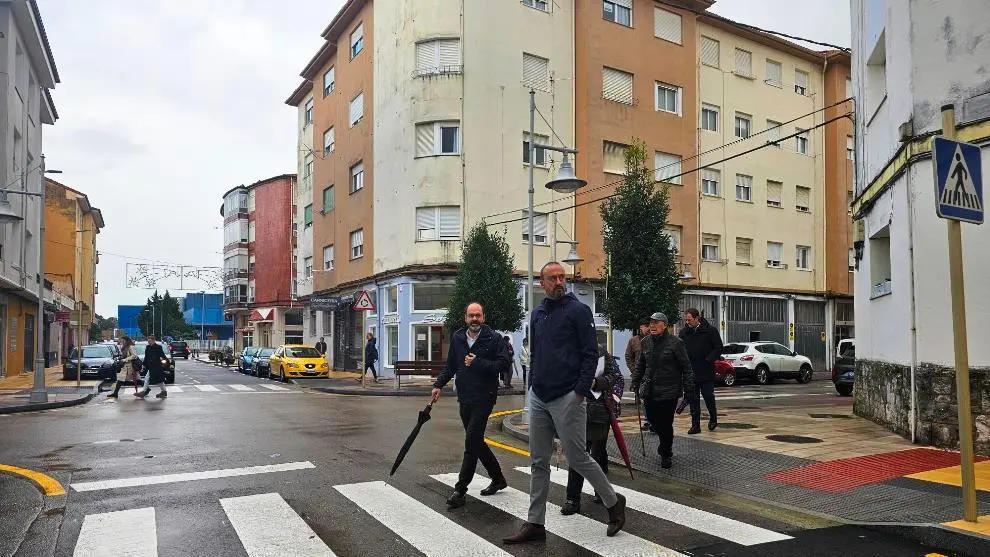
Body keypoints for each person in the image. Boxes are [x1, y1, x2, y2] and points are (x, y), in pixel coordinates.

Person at [503, 262, 626, 544]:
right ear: (542, 283)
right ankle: (535, 523)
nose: (559, 282)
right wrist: (531, 385)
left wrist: (580, 392)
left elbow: (589, 356)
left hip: (568, 396)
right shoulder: (538, 314)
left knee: (578, 458)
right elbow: (537, 353)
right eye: (553, 278)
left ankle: (613, 502)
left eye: (562, 277)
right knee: (538, 461)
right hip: (539, 396)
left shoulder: (578, 311)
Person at [431, 302, 510, 509]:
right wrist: (439, 384)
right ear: (465, 318)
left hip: (485, 396)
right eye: (470, 316)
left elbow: (503, 364)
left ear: (483, 317)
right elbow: (451, 365)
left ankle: (460, 490)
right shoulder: (458, 338)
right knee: (476, 441)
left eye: (478, 315)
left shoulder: (494, 339)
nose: (474, 319)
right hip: (464, 396)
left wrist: (478, 363)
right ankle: (498, 478)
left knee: (471, 440)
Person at [561, 344, 622, 516]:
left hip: (599, 410)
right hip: (576, 408)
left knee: (598, 453)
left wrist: (597, 383)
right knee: (577, 454)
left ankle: (601, 492)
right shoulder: (568, 350)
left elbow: (614, 376)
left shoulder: (601, 351)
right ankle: (572, 498)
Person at [631, 312, 695, 469]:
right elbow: (641, 364)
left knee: (666, 424)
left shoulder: (675, 343)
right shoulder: (645, 342)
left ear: (665, 325)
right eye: (651, 322)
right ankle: (664, 442)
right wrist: (636, 381)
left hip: (669, 390)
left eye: (656, 323)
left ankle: (666, 453)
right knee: (653, 420)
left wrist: (689, 390)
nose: (652, 325)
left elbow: (686, 367)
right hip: (650, 389)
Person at [679, 308, 724, 433]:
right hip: (691, 372)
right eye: (686, 320)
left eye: (689, 319)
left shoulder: (710, 331)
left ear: (697, 318)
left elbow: (718, 347)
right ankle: (695, 425)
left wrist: (709, 359)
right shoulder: (684, 333)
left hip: (706, 371)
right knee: (693, 400)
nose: (687, 322)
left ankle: (713, 418)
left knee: (708, 396)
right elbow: (680, 350)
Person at [625, 318, 651, 432]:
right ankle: (647, 421)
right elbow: (628, 356)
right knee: (643, 399)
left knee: (652, 398)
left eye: (649, 325)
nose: (648, 328)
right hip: (639, 375)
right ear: (641, 327)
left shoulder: (653, 339)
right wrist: (634, 370)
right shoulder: (633, 341)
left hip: (651, 374)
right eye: (646, 326)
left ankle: (652, 421)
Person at [135, 335, 169, 399]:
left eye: (150, 341)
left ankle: (144, 391)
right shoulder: (148, 347)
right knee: (156, 379)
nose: (149, 342)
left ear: (153, 340)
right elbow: (146, 357)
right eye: (148, 341)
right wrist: (143, 364)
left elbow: (163, 355)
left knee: (154, 379)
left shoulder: (158, 347)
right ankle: (163, 391)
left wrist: (168, 363)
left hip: (157, 366)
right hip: (151, 366)